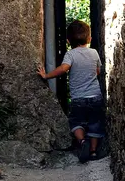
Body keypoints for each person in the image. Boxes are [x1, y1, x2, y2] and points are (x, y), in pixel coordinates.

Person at [38, 20, 105, 162]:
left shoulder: (71, 55)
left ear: (68, 41)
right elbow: (98, 71)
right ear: (89, 38)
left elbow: (63, 69)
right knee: (95, 124)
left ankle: (82, 142)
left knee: (76, 122)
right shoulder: (94, 53)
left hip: (78, 99)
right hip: (95, 97)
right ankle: (93, 151)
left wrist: (46, 75)